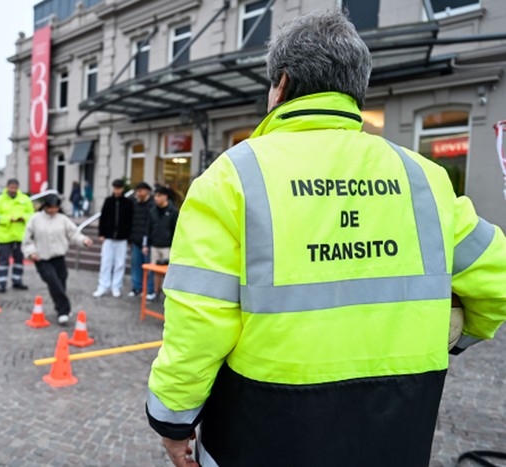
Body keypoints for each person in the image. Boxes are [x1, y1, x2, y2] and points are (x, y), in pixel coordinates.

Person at [146, 10, 506, 467]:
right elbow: (497, 282)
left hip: (262, 429)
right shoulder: (424, 178)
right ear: (357, 87)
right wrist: (456, 336)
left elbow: (198, 323)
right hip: (395, 428)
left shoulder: (232, 178)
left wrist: (173, 422)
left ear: (282, 83)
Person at [22, 194, 93, 325]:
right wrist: (31, 252)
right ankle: (64, 311)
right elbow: (27, 239)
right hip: (41, 258)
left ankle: (59, 307)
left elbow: (73, 233)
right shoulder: (35, 219)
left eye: (56, 208)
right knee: (53, 282)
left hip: (59, 257)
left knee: (61, 283)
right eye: (51, 208)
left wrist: (84, 240)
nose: (53, 210)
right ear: (45, 206)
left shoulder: (63, 219)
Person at [0, 178, 34, 293]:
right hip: (4, 236)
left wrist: (23, 218)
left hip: (20, 235)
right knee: (3, 260)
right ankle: (1, 283)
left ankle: (17, 281)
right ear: (7, 187)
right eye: (11, 187)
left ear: (18, 187)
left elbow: (31, 214)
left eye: (15, 187)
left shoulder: (25, 199)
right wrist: (9, 220)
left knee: (19, 260)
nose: (13, 189)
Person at [93, 178, 132, 298]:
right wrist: (101, 233)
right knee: (105, 262)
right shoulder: (108, 201)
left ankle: (116, 286)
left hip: (122, 238)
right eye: (115, 188)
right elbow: (103, 218)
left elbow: (130, 220)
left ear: (122, 189)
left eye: (119, 188)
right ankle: (103, 286)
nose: (117, 190)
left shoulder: (128, 203)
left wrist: (128, 236)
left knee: (120, 264)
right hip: (109, 238)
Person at [142, 185, 178, 301]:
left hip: (167, 247)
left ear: (165, 197)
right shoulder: (152, 211)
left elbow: (176, 230)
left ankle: (167, 295)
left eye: (159, 196)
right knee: (155, 272)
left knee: (169, 273)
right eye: (155, 196)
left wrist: (175, 247)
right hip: (155, 246)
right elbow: (147, 228)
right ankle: (155, 292)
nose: (156, 198)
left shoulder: (173, 211)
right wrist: (145, 244)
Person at [128, 181, 155, 298]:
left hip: (148, 242)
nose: (138, 193)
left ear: (147, 191)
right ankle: (137, 288)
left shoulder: (153, 204)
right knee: (135, 265)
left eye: (140, 191)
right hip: (136, 240)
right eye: (137, 191)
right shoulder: (134, 203)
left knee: (149, 267)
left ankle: (149, 290)